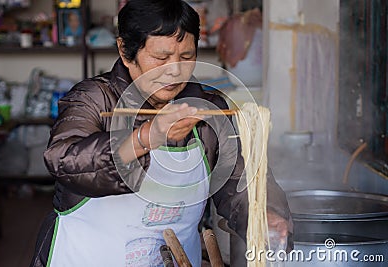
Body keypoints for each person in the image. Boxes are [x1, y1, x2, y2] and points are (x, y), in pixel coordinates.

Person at [30, 0, 293, 266]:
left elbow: (242, 182)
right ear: (125, 51)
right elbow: (63, 160)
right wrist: (146, 137)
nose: (175, 70)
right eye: (161, 58)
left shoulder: (209, 109)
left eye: (187, 56)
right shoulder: (93, 99)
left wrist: (266, 215)